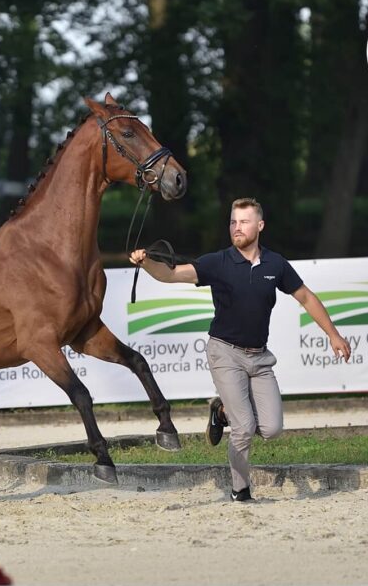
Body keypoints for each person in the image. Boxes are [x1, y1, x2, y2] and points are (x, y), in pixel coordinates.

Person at [130, 197, 351, 502]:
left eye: (244, 221)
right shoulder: (217, 262)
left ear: (259, 226)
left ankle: (221, 411)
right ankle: (240, 489)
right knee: (244, 428)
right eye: (233, 222)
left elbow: (306, 298)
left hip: (259, 358)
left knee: (272, 429)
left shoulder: (276, 264)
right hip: (224, 352)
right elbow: (171, 274)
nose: (237, 227)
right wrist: (147, 262)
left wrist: (333, 335)